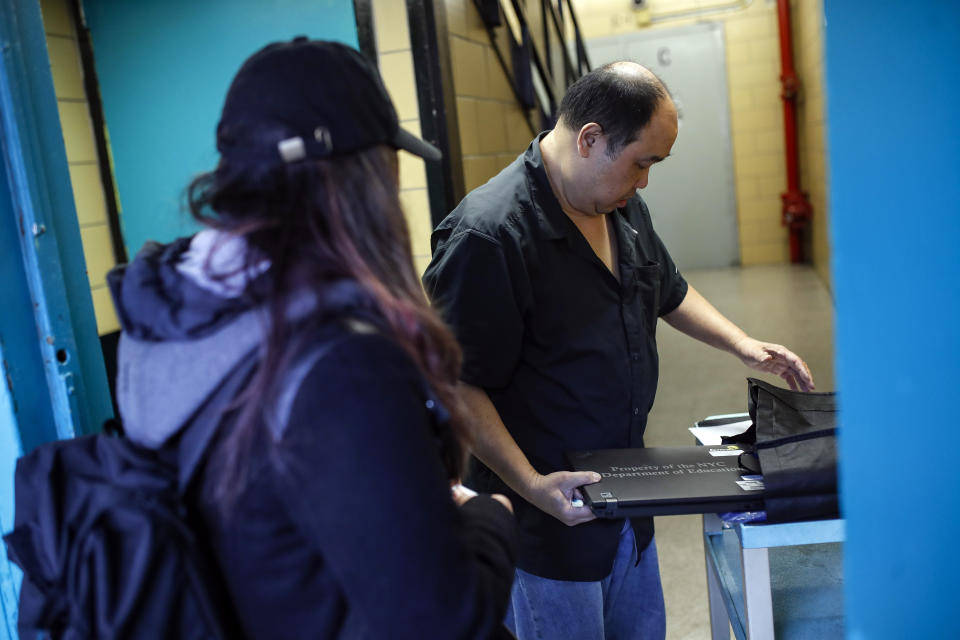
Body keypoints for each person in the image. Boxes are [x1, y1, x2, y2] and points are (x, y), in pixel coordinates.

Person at [107, 38, 518, 639]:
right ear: (365, 177)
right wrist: (490, 518)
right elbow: (441, 621)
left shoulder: (170, 315)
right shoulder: (341, 363)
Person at [422, 62, 814, 639]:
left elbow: (668, 289)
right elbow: (458, 384)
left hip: (626, 499)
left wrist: (742, 344)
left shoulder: (617, 204)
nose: (646, 182)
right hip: (548, 526)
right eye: (642, 163)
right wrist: (532, 484)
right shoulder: (489, 237)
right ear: (590, 139)